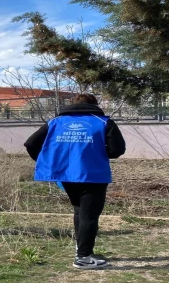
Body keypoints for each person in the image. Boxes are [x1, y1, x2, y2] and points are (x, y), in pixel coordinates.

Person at [24, 94, 126, 269]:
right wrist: (98, 153)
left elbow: (31, 143)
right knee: (90, 215)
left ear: (73, 104)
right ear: (94, 105)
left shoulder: (55, 122)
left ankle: (82, 249)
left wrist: (47, 161)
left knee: (80, 211)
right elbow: (117, 149)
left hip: (66, 175)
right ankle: (83, 258)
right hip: (93, 175)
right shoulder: (102, 122)